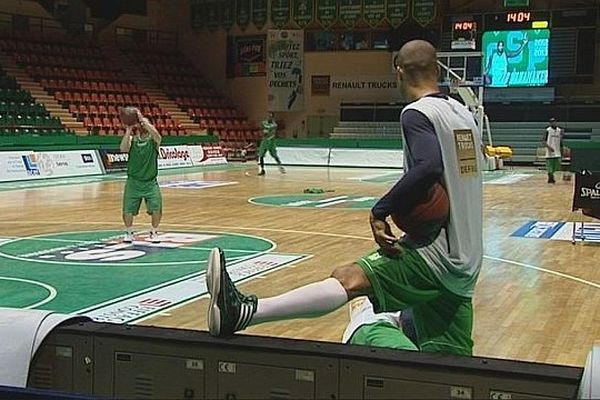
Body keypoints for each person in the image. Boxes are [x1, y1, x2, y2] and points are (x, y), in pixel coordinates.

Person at [206, 40, 484, 356]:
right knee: (451, 364)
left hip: (437, 252)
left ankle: (242, 312)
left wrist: (381, 210)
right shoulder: (463, 113)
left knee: (349, 278)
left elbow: (429, 165)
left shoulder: (417, 113)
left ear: (398, 73)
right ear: (437, 69)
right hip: (469, 255)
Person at [119, 108, 162, 243]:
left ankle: (154, 232)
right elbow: (123, 149)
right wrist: (128, 129)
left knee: (156, 208)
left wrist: (144, 121)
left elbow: (158, 136)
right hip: (133, 182)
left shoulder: (153, 141)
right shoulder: (132, 139)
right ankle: (129, 232)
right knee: (127, 210)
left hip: (150, 182)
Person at [543, 117, 563, 184]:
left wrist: (561, 148)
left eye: (554, 122)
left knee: (556, 166)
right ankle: (550, 177)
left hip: (557, 151)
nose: (553, 123)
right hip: (550, 152)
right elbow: (544, 141)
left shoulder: (559, 130)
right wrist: (549, 147)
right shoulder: (548, 130)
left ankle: (551, 175)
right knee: (549, 167)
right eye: (552, 122)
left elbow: (561, 141)